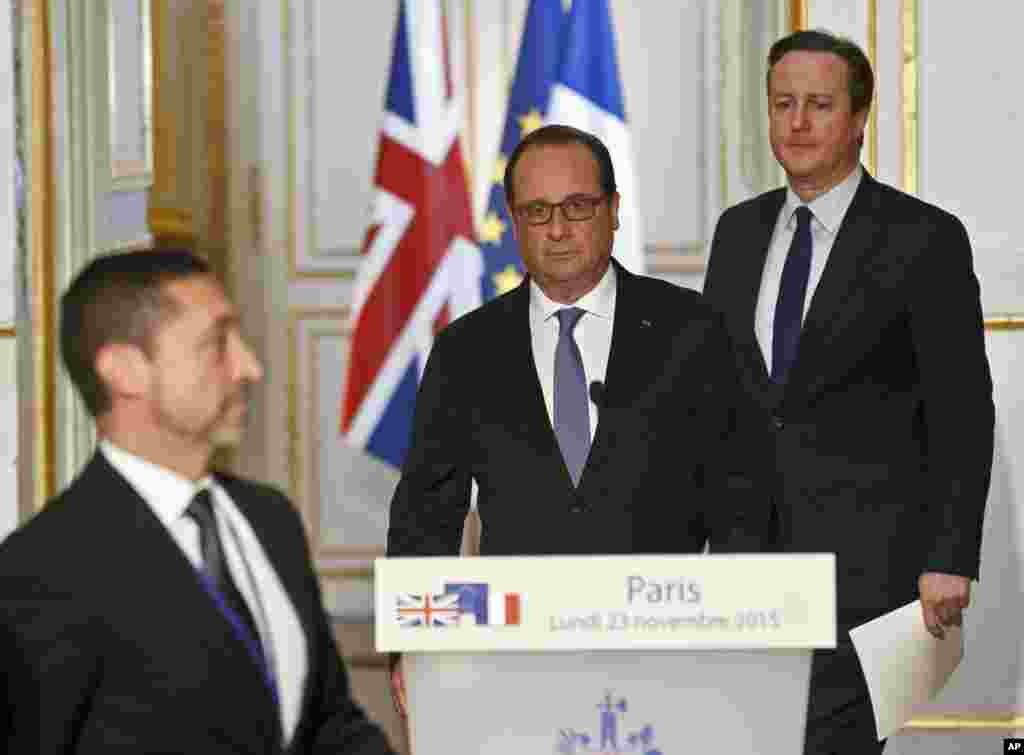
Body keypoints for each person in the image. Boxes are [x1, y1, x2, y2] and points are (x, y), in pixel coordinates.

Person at [386, 124, 766, 713]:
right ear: (513, 221)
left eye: (578, 207)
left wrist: (744, 635)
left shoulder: (692, 330)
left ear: (613, 210)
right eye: (537, 211)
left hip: (669, 656)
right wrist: (411, 645)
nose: (558, 229)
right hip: (517, 662)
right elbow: (425, 516)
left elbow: (743, 499)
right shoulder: (466, 350)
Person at [702, 29, 995, 755]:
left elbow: (961, 409)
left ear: (859, 119)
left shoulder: (923, 239)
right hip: (747, 574)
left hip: (866, 578)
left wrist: (950, 554)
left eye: (820, 105)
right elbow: (716, 399)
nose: (798, 122)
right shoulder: (737, 233)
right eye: (783, 104)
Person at [0, 250, 396, 754]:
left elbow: (328, 724)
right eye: (216, 344)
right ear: (124, 371)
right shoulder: (42, 569)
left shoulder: (269, 518)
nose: (249, 367)